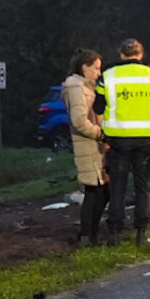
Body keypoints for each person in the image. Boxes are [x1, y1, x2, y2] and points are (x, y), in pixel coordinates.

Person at [97, 38, 150, 245]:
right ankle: (142, 233)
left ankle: (114, 234)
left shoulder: (108, 76)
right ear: (141, 54)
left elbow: (99, 107)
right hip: (147, 139)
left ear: (121, 54)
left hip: (118, 139)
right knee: (143, 186)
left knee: (118, 186)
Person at [60, 50, 109, 246]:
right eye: (96, 68)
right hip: (88, 146)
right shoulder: (77, 88)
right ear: (85, 67)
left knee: (101, 191)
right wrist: (100, 133)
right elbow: (79, 121)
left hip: (96, 147)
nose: (99, 73)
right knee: (95, 191)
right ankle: (87, 236)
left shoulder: (88, 87)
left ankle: (90, 234)